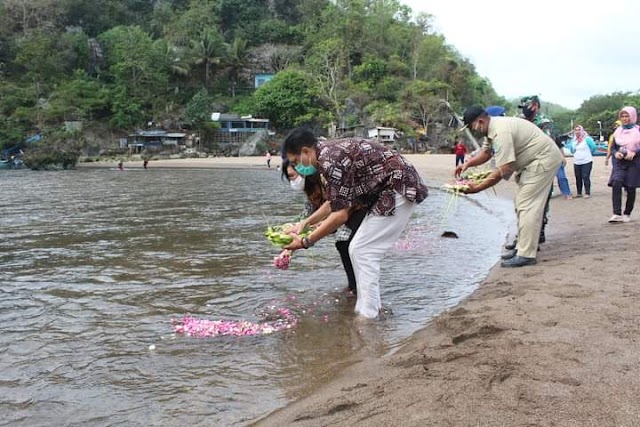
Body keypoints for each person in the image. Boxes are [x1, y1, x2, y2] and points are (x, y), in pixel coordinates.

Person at [281, 128, 428, 319]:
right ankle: (369, 308)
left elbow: (340, 215)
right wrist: (305, 224)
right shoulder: (327, 156)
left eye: (295, 161)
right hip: (387, 188)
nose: (297, 167)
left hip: (397, 186)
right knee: (357, 249)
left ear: (307, 152)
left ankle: (368, 315)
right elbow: (333, 203)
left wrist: (305, 242)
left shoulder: (331, 160)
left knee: (362, 250)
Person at [455, 106, 563, 268]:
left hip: (542, 160)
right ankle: (522, 247)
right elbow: (487, 152)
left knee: (527, 205)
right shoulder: (492, 128)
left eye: (471, 126)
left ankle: (526, 254)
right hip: (533, 161)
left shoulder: (500, 132)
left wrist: (477, 188)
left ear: (480, 121)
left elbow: (504, 168)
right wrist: (468, 164)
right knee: (521, 203)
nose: (473, 130)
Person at [280, 158, 365, 294]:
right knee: (344, 244)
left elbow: (331, 205)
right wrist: (288, 250)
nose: (292, 182)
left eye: (292, 176)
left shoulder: (325, 179)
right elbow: (305, 220)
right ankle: (355, 287)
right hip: (344, 214)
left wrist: (311, 233)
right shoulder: (310, 190)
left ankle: (358, 288)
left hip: (359, 208)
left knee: (345, 243)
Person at [517, 95, 566, 243]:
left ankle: (540, 231)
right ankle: (526, 234)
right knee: (525, 200)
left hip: (543, 164)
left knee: (542, 198)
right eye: (523, 107)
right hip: (526, 165)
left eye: (528, 107)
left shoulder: (545, 122)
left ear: (536, 106)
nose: (525, 110)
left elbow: (548, 143)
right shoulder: (521, 121)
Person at [607, 106, 640, 223]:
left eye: (627, 116)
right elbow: (614, 147)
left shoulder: (638, 131)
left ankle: (627, 213)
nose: (625, 119)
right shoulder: (618, 131)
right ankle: (616, 213)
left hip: (634, 162)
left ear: (633, 116)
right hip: (620, 162)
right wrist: (615, 153)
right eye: (623, 116)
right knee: (616, 182)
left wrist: (634, 152)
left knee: (630, 187)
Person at [566, 125, 596, 198]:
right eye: (576, 130)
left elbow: (593, 148)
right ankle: (579, 193)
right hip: (577, 161)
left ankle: (587, 192)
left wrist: (588, 154)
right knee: (578, 177)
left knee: (585, 176)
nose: (577, 131)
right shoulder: (573, 140)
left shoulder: (587, 139)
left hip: (586, 161)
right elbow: (571, 150)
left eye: (579, 130)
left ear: (582, 130)